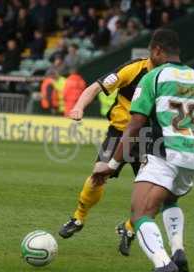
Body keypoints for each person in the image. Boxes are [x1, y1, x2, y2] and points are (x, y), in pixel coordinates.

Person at [91, 28, 194, 272]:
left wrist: (111, 164)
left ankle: (162, 264)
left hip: (164, 151)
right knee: (170, 200)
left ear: (156, 50)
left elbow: (134, 126)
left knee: (140, 212)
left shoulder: (153, 77)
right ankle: (178, 253)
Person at [58, 49, 156, 251]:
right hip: (120, 133)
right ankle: (78, 218)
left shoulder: (170, 77)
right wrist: (79, 106)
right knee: (98, 176)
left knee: (156, 193)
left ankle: (129, 227)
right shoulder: (133, 68)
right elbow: (94, 88)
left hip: (150, 138)